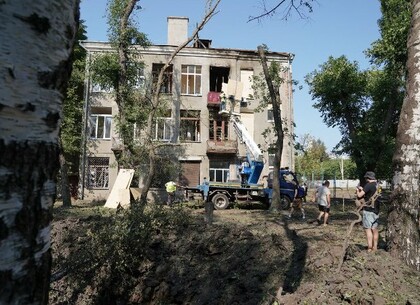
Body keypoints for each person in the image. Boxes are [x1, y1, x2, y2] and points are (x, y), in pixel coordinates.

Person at [356, 171, 379, 252]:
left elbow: (359, 195)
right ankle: (375, 247)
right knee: (374, 229)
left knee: (368, 229)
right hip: (376, 210)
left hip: (368, 209)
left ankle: (369, 247)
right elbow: (371, 193)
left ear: (367, 178)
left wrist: (358, 190)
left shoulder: (368, 185)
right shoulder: (377, 185)